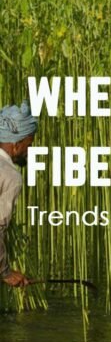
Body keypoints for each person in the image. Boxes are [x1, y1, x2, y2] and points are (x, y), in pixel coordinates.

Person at [0, 103, 35, 288]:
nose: (29, 152)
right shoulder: (11, 176)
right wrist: (5, 272)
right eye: (28, 145)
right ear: (16, 145)